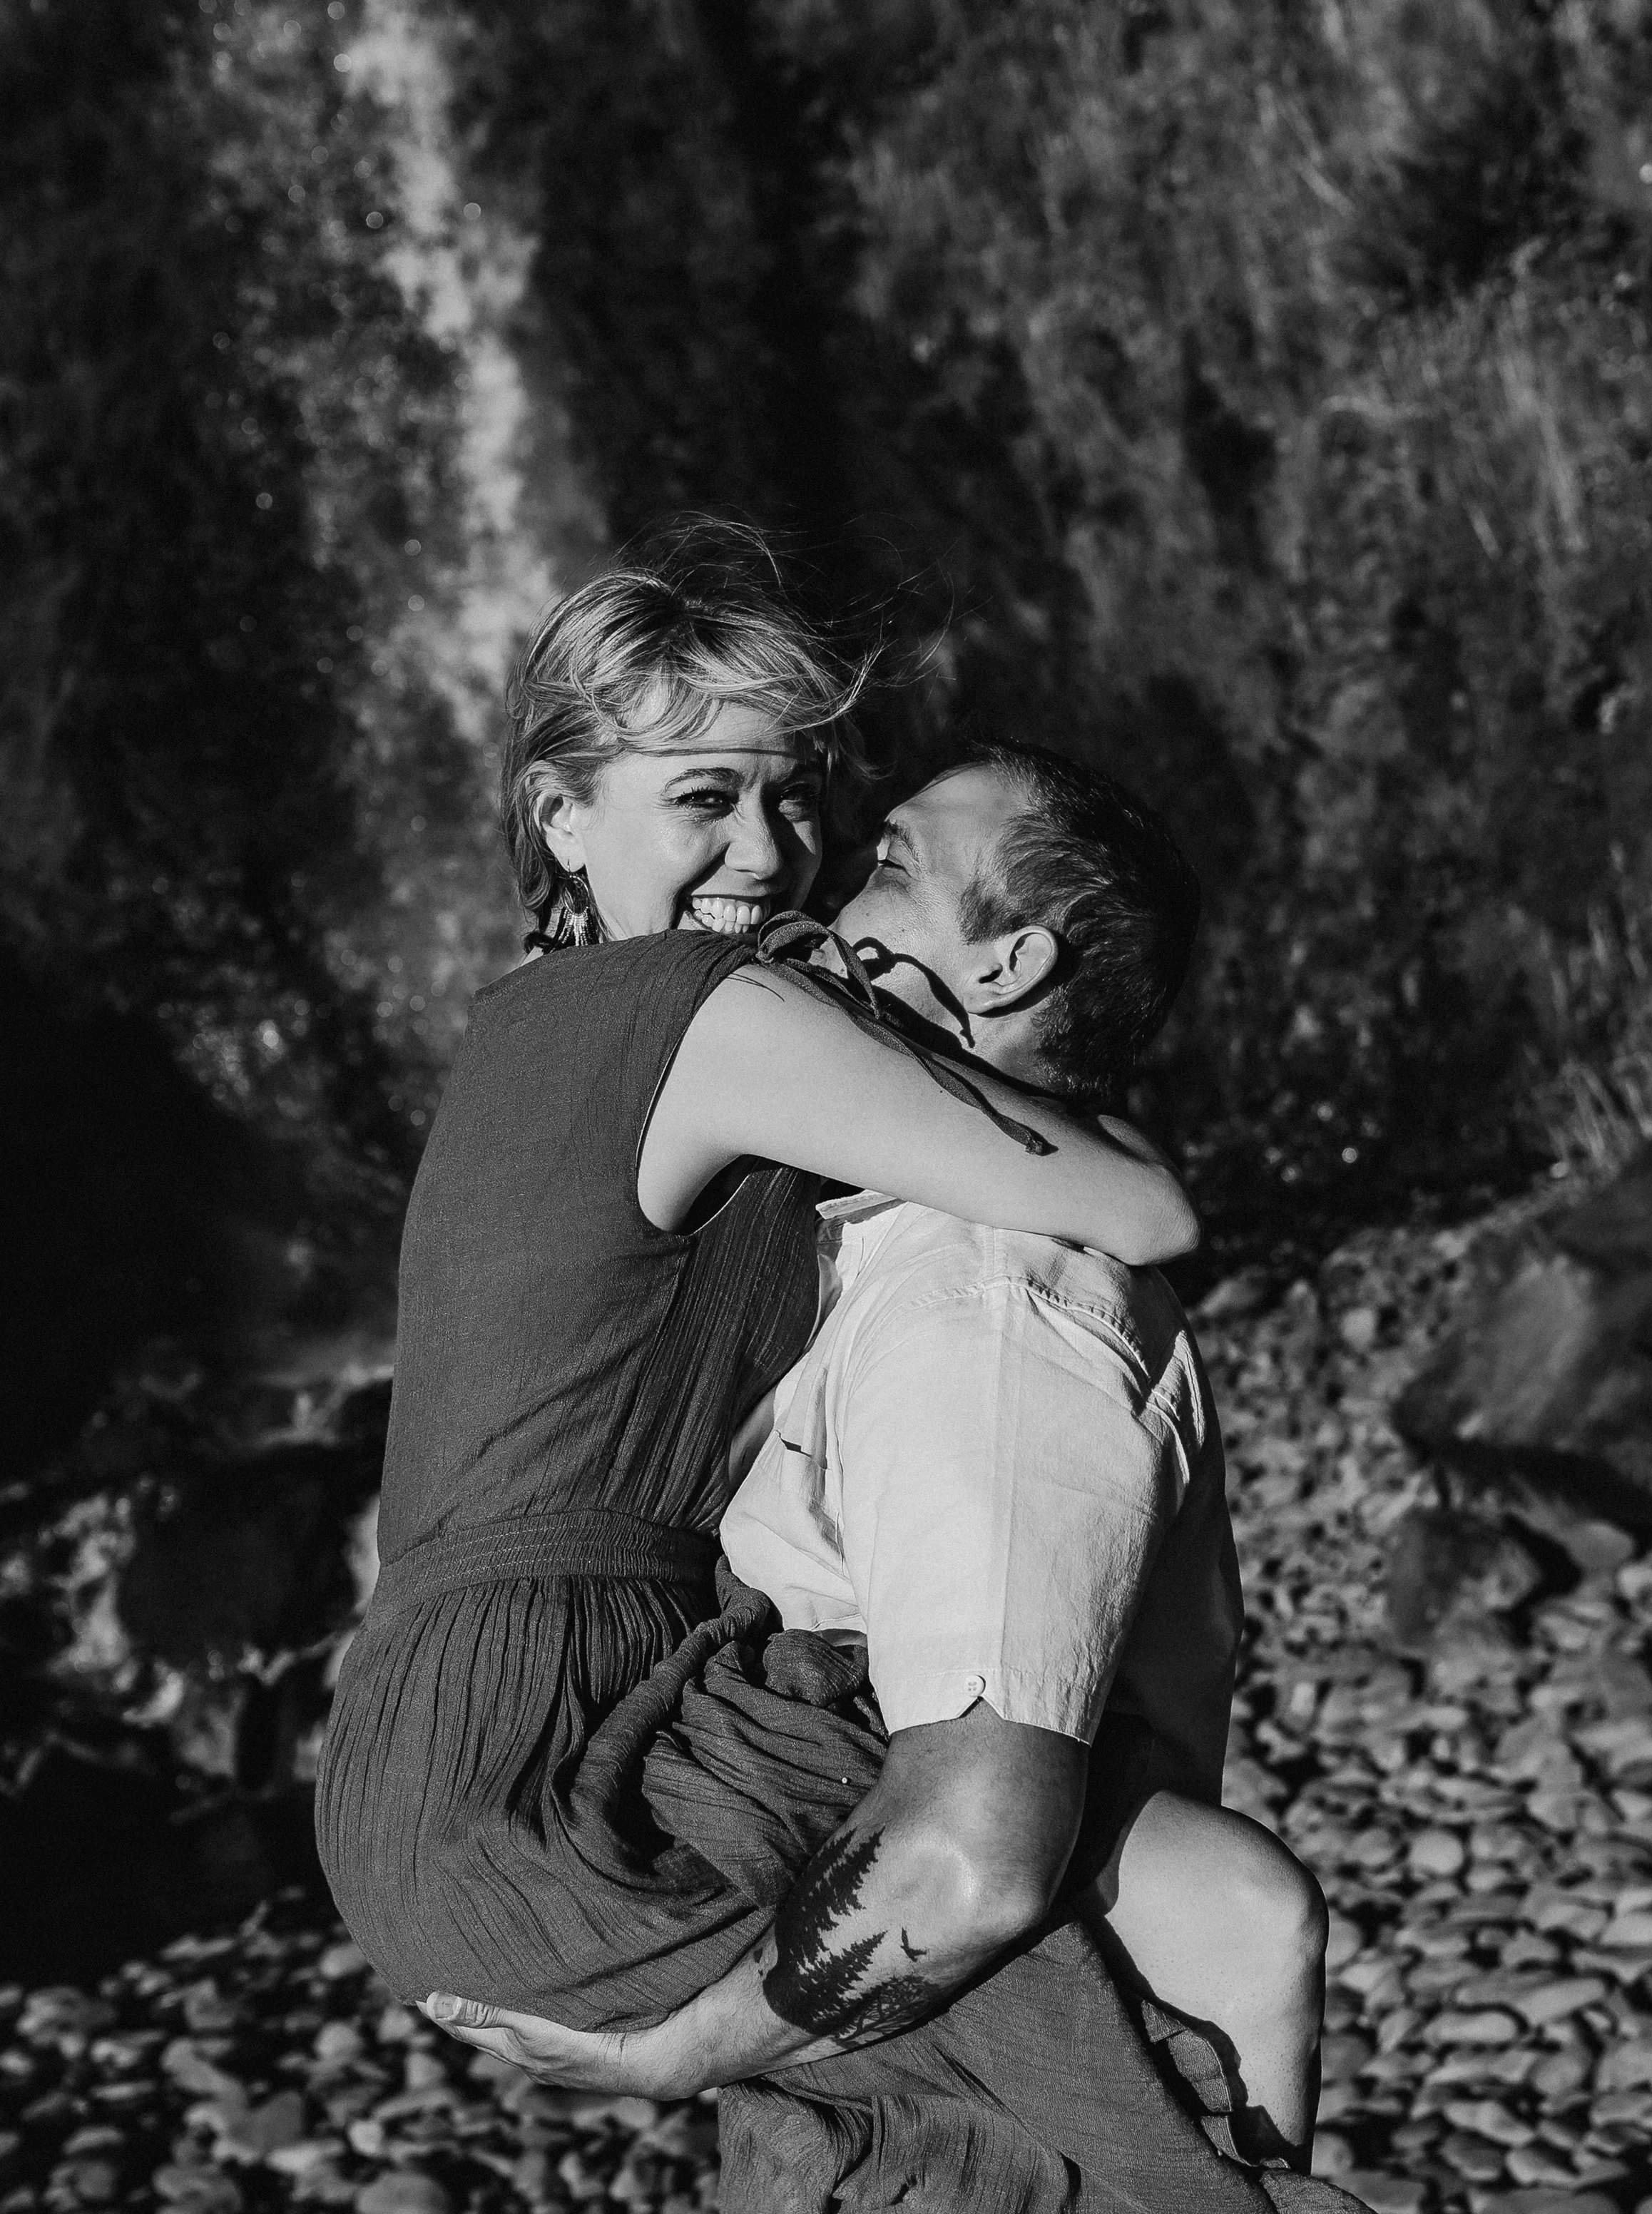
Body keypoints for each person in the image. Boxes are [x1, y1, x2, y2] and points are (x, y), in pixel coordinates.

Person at [427, 741, 1601, 2214]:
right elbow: (1188, 1731)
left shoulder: (975, 1290)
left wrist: (673, 2042)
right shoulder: (883, 1226)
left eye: (883, 864)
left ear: (1012, 960)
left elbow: (978, 1843)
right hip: (911, 2161)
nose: (815, 884)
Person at [315, 524, 1204, 2036]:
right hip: (537, 1766)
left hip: (431, 1744)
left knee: (1143, 1912)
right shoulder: (701, 1007)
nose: (769, 852)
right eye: (702, 799)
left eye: (794, 795)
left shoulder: (534, 1018)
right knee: (1185, 1917)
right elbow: (1143, 1207)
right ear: (563, 814)